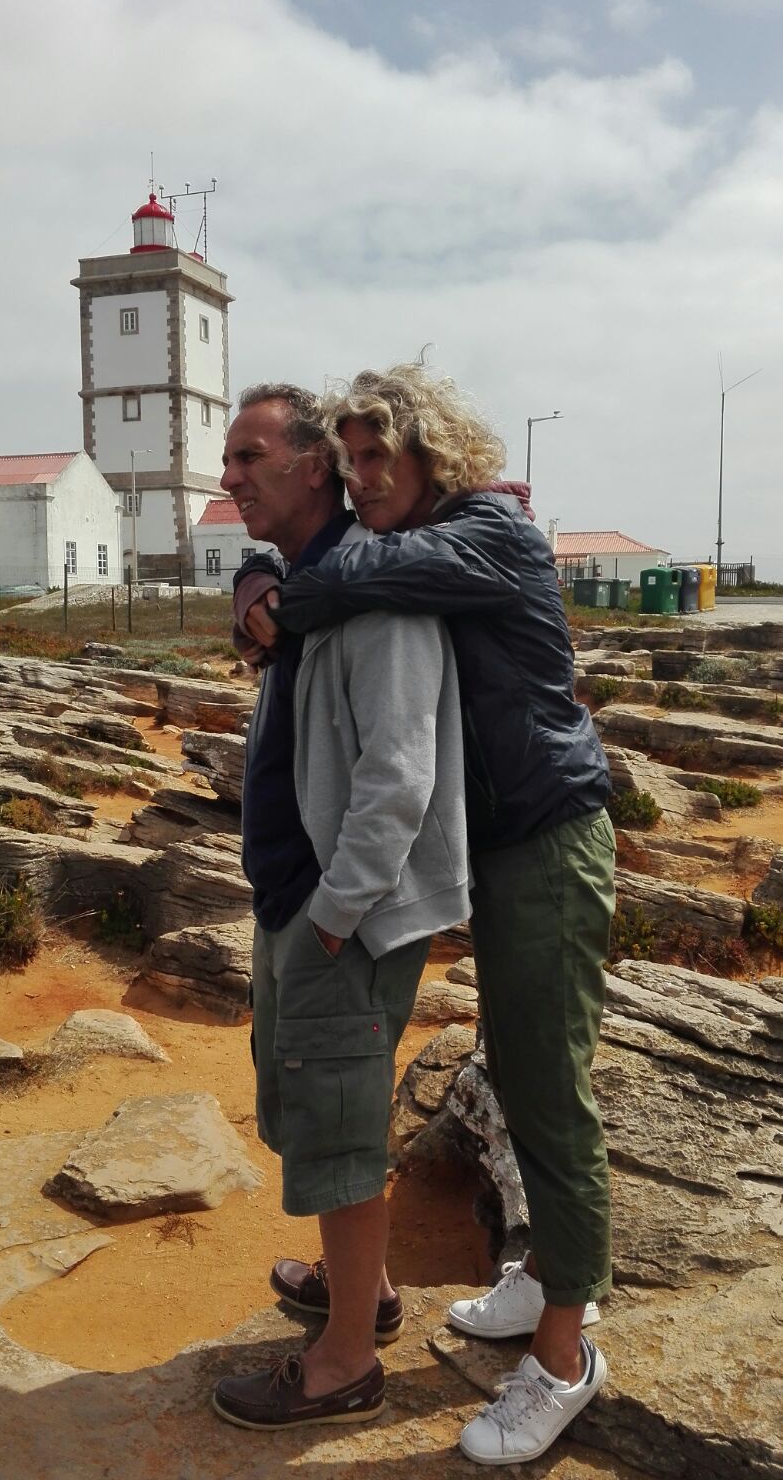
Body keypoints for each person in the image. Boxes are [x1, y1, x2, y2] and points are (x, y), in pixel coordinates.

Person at [233, 362, 615, 1467]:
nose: (358, 478)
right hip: (498, 849)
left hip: (546, 837)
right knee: (521, 1068)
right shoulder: (405, 545)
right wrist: (257, 569)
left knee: (551, 1090)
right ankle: (544, 1273)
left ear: (428, 452)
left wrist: (267, 588)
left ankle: (561, 1356)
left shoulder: (487, 532)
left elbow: (358, 573)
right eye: (346, 458)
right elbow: (333, 564)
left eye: (372, 457)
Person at [211, 382, 471, 1432]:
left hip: (340, 913)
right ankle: (361, 1287)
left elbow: (399, 777)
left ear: (312, 463)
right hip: (297, 896)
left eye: (246, 457)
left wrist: (335, 911)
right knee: (308, 1106)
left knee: (341, 1127)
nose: (228, 477)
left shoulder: (377, 588)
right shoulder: (304, 583)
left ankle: (345, 1363)